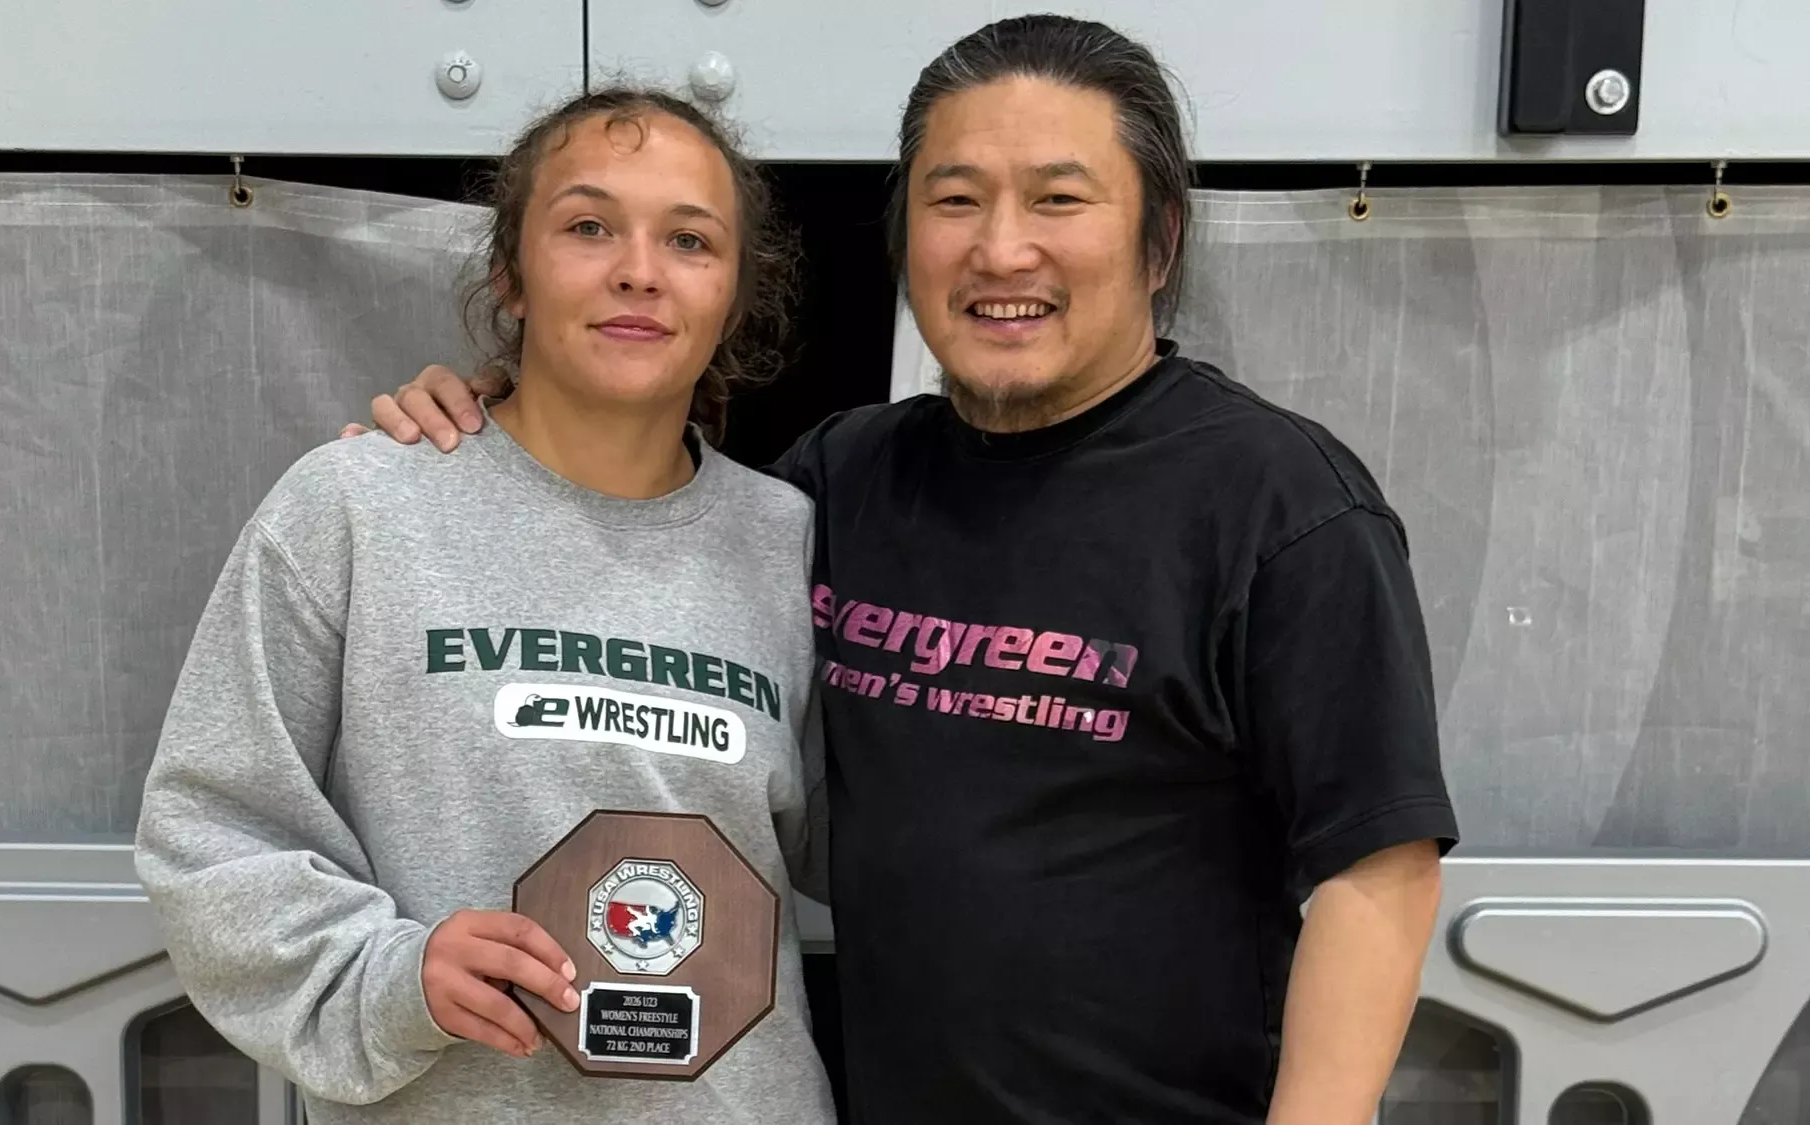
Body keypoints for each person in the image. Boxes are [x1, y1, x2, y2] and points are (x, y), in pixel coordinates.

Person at [350, 15, 1457, 1125]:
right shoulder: (841, 479)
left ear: (1156, 243)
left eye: (1058, 200)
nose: (1000, 250)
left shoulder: (1281, 504)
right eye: (955, 198)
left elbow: (1379, 872)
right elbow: (651, 554)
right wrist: (507, 412)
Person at [134, 87, 838, 1125]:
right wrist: (392, 976)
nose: (637, 269)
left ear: (733, 294)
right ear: (509, 273)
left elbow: (864, 840)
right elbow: (210, 831)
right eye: (588, 226)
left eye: (689, 240)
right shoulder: (358, 507)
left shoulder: (790, 541)